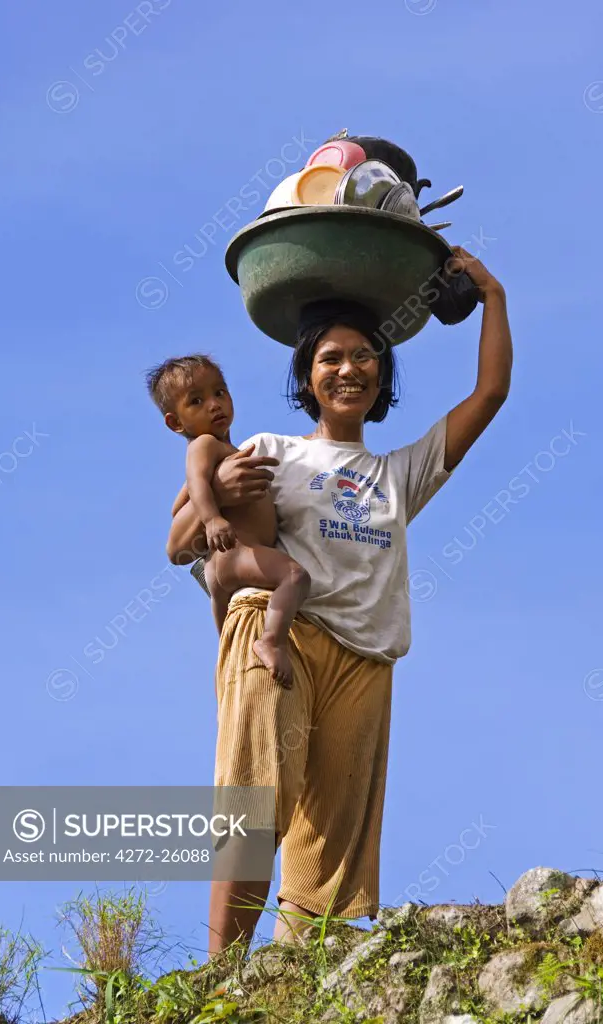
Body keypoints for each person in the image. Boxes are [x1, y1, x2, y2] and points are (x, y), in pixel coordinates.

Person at [166, 248, 513, 954]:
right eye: (330, 358)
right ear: (308, 377)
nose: (348, 368)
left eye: (363, 356)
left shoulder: (399, 474)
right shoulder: (270, 450)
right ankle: (219, 977)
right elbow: (177, 542)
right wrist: (224, 494)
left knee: (328, 854)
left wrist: (493, 295)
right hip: (280, 631)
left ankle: (288, 988)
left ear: (381, 375)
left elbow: (490, 394)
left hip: (365, 661)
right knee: (255, 802)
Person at [146, 354, 310, 685]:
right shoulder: (204, 445)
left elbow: (182, 500)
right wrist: (211, 520)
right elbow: (194, 487)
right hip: (237, 555)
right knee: (294, 577)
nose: (214, 405)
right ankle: (272, 641)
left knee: (229, 647)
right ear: (176, 423)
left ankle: (230, 679)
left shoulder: (225, 451)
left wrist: (205, 499)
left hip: (220, 570)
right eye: (196, 401)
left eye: (220, 392)